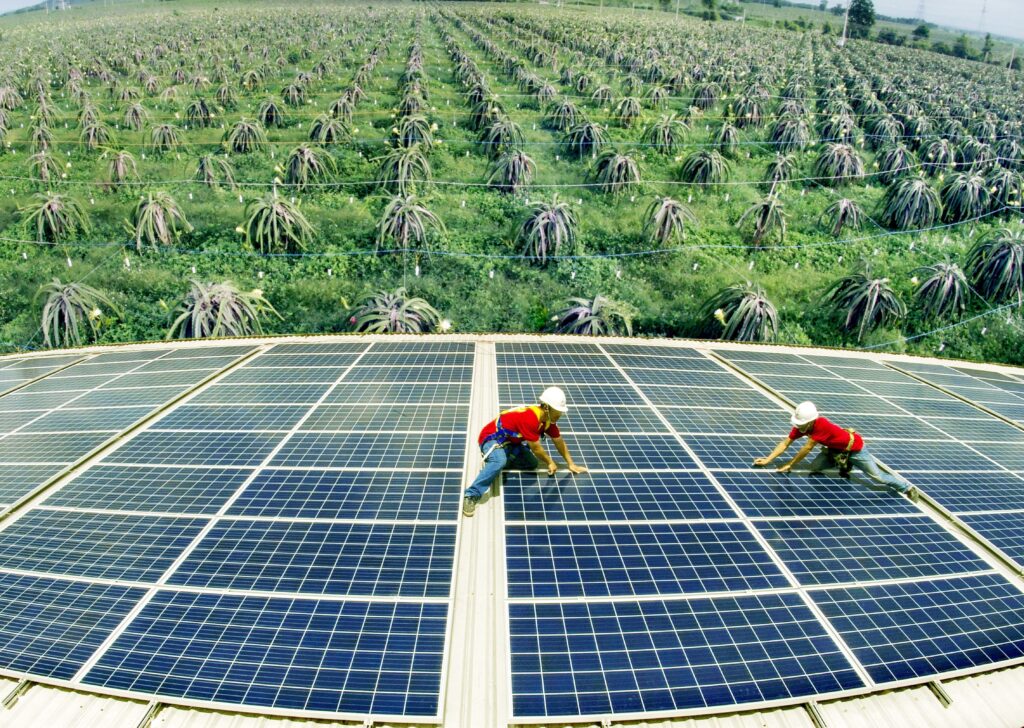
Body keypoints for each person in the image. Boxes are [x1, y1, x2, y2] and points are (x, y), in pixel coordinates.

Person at [753, 401, 920, 502]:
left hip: (855, 449)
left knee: (876, 476)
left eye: (801, 424)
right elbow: (785, 443)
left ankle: (907, 488)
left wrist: (790, 464)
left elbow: (807, 448)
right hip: (835, 449)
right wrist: (768, 459)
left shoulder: (821, 425)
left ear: (811, 421)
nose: (798, 426)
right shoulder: (801, 427)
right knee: (815, 467)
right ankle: (843, 463)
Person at [463, 386, 587, 517]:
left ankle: (497, 464)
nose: (560, 415)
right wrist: (550, 462)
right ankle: (471, 494)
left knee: (532, 463)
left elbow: (559, 441)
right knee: (499, 461)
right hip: (492, 439)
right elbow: (536, 448)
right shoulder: (530, 418)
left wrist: (571, 463)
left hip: (511, 443)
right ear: (546, 407)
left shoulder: (548, 421)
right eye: (557, 411)